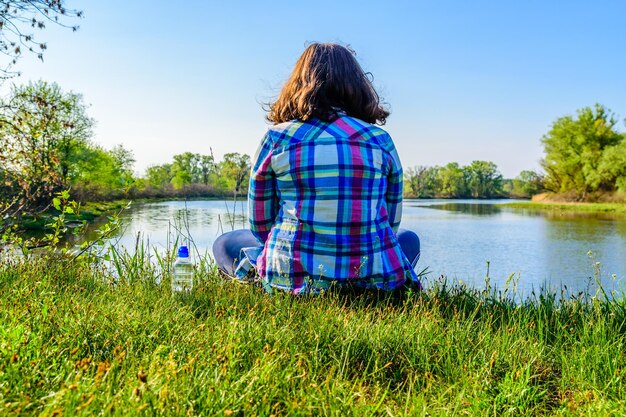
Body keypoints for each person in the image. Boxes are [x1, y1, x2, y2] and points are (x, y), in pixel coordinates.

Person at [213, 42, 421, 294]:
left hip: (290, 279)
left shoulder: (277, 139)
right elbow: (391, 223)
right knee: (408, 238)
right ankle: (368, 284)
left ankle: (260, 282)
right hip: (371, 281)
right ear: (357, 86)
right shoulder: (380, 140)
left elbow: (261, 226)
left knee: (225, 242)